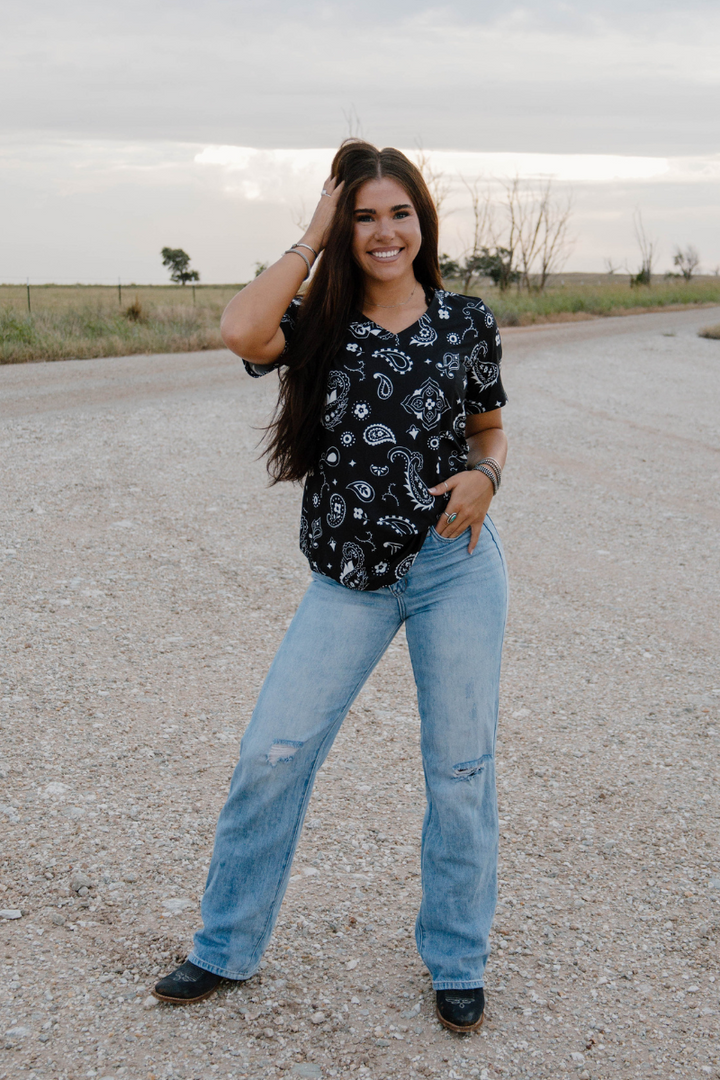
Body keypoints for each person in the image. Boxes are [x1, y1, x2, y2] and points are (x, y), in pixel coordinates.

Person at [153, 139, 508, 1034]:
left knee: (460, 771)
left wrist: (485, 477)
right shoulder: (317, 322)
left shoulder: (467, 320)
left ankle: (458, 959)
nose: (383, 231)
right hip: (346, 581)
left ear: (422, 222)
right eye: (363, 215)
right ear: (344, 227)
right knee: (270, 754)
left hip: (450, 570)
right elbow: (240, 330)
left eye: (399, 213)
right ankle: (224, 944)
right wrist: (314, 227)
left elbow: (490, 430)